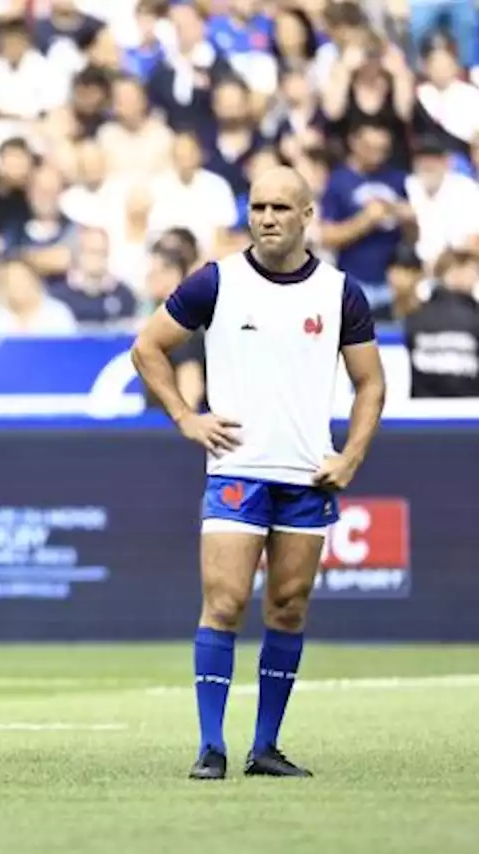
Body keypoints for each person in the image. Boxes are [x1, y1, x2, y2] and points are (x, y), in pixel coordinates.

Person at [130, 166, 387, 780]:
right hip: (236, 471)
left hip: (306, 477)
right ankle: (211, 746)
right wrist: (187, 420)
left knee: (289, 607)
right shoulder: (217, 282)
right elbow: (148, 347)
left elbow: (370, 383)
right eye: (258, 207)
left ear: (307, 217)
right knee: (222, 603)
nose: (267, 217)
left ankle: (265, 746)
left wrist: (350, 456)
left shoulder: (339, 292)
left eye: (280, 207)